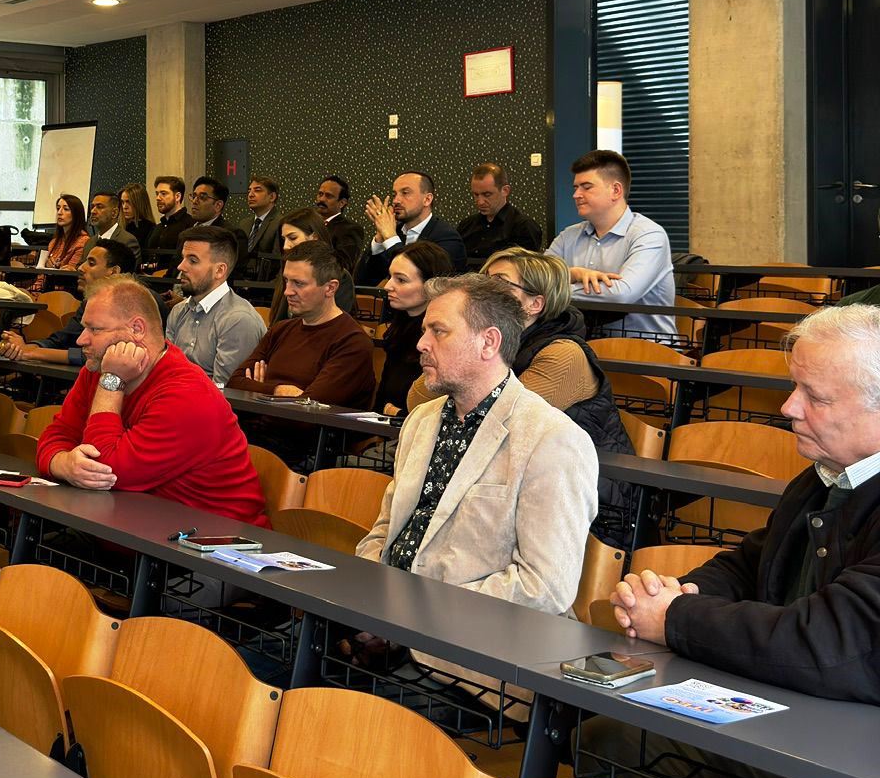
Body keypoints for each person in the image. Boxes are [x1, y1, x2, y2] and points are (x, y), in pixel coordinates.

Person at [609, 303, 880, 699]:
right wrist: (671, 593)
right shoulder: (822, 478)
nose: (788, 408)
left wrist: (673, 617)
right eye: (795, 387)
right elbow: (751, 566)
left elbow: (831, 642)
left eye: (816, 397)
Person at [357, 275, 595, 613]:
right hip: (386, 616)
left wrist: (417, 611)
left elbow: (544, 587)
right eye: (424, 331)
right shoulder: (421, 420)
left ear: (488, 343)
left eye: (438, 331)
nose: (422, 344)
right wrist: (369, 596)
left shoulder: (552, 439)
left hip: (471, 635)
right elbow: (385, 529)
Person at [37, 278, 269, 524]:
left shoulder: (187, 395)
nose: (81, 339)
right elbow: (56, 434)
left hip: (212, 538)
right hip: (136, 526)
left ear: (137, 329)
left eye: (95, 329)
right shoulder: (97, 368)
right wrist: (62, 464)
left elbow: (104, 470)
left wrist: (112, 381)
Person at [480, 252, 632, 494]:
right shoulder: (497, 343)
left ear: (535, 305)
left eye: (499, 282)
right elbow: (421, 406)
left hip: (585, 493)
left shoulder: (563, 355)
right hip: (522, 478)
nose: (481, 291)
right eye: (483, 280)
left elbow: (499, 426)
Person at [548, 150, 675, 340]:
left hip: (647, 349)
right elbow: (534, 280)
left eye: (586, 187)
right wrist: (571, 274)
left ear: (616, 190)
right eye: (576, 187)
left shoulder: (649, 235)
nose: (576, 195)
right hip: (583, 346)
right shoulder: (569, 235)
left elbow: (621, 295)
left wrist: (554, 290)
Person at [230, 241, 378, 404]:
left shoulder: (352, 342)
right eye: (286, 281)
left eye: (299, 283)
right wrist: (277, 390)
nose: (287, 291)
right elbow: (234, 384)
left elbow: (310, 407)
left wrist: (257, 389)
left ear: (330, 288)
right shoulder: (280, 330)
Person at [0, 239, 138, 369]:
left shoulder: (132, 307)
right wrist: (22, 348)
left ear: (114, 272)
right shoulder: (89, 303)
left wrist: (31, 353)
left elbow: (94, 356)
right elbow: (62, 339)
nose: (80, 268)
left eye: (91, 263)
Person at [167, 226, 266, 386]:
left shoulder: (238, 320)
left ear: (219, 270)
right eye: (183, 258)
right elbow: (165, 372)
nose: (181, 267)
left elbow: (225, 391)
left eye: (193, 260)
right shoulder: (178, 311)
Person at [373, 242, 454, 413]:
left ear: (430, 285)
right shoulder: (399, 328)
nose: (387, 286)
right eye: (389, 276)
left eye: (401, 280)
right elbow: (383, 400)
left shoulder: (444, 339)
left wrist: (396, 413)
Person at [358, 174, 466, 286]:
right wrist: (379, 239)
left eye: (405, 193)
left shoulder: (447, 237)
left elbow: (423, 282)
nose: (396, 200)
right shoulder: (394, 232)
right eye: (394, 194)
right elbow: (361, 283)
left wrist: (390, 237)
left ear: (427, 199)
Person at [458, 162, 545, 268]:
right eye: (476, 195)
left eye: (487, 194)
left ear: (505, 191)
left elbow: (525, 270)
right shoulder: (466, 225)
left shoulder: (524, 227)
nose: (480, 202)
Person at [265, 208, 335, 324]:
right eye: (284, 239)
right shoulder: (286, 272)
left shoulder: (339, 276)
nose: (285, 246)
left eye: (292, 238)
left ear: (314, 237)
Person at [315, 176, 364, 277]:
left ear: (342, 203)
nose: (322, 199)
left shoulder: (350, 229)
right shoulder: (309, 224)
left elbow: (344, 265)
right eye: (320, 194)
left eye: (328, 196)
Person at [240, 176, 284, 280]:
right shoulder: (244, 224)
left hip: (265, 284)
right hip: (240, 281)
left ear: (272, 197)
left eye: (257, 190)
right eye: (249, 191)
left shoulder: (281, 223)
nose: (250, 195)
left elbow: (277, 262)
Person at [144, 177, 193, 268]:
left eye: (163, 193)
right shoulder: (157, 228)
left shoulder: (190, 225)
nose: (158, 198)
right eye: (157, 194)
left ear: (177, 196)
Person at [38, 193, 91, 273]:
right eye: (58, 208)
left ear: (76, 213)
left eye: (66, 209)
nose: (59, 212)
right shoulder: (54, 242)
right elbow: (42, 273)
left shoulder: (83, 241)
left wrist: (54, 268)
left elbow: (70, 272)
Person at [88, 190, 140, 254]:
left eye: (99, 207)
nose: (93, 211)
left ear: (114, 213)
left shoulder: (127, 241)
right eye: (92, 207)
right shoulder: (89, 243)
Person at [119, 183, 157, 253]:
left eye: (129, 202)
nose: (124, 207)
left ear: (139, 203)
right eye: (122, 202)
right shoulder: (120, 227)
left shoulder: (150, 229)